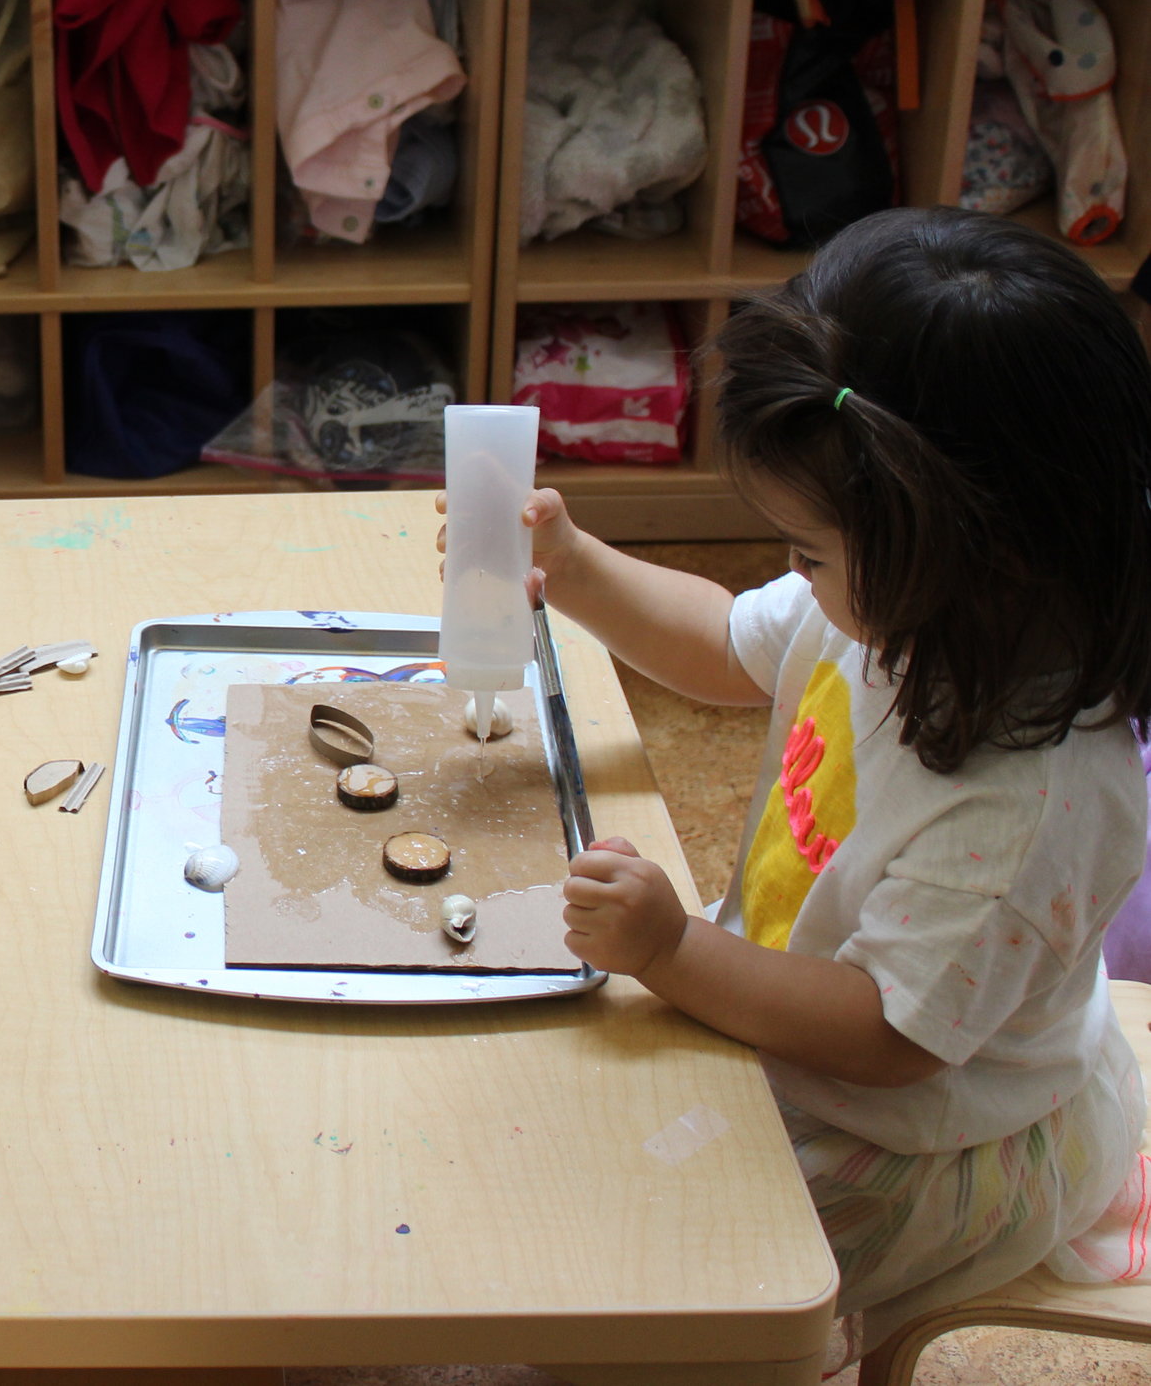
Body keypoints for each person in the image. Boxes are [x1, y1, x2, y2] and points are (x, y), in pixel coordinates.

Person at [483, 207, 1151, 1359]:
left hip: (926, 1134)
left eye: (803, 553)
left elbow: (890, 1036)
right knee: (567, 1137)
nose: (787, 575)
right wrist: (576, 566)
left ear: (972, 547)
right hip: (844, 1018)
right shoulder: (909, 600)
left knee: (674, 1281)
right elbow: (723, 643)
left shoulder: (1028, 804)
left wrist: (677, 952)